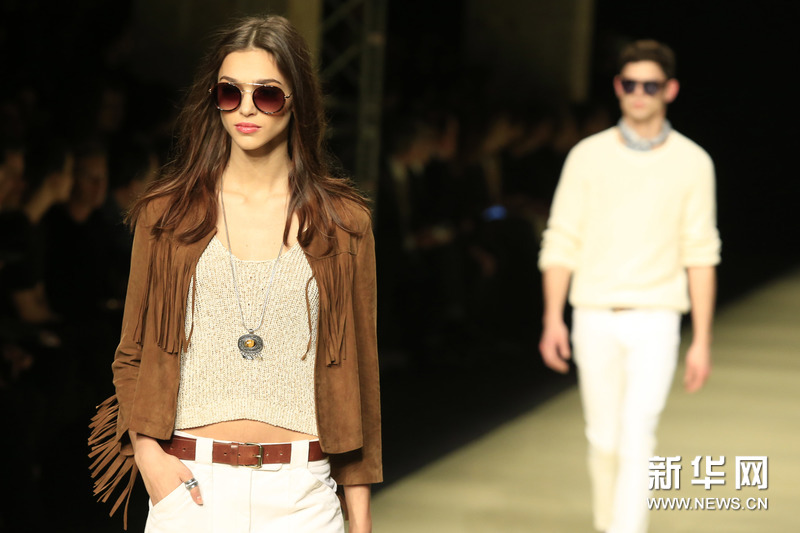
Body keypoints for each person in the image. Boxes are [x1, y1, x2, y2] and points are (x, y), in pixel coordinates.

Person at [88, 15, 381, 533]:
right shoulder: (166, 216)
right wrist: (150, 459)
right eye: (230, 92)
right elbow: (131, 351)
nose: (246, 108)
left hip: (302, 495)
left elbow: (360, 374)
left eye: (266, 94)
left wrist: (359, 517)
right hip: (190, 487)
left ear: (297, 101)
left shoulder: (343, 224)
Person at [537, 40, 720, 533]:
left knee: (639, 436)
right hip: (593, 314)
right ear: (618, 87)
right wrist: (552, 318)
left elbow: (701, 253)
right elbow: (561, 240)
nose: (639, 93)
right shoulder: (587, 156)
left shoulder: (693, 162)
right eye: (630, 84)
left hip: (658, 317)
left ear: (670, 90)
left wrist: (702, 339)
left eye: (650, 86)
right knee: (603, 439)